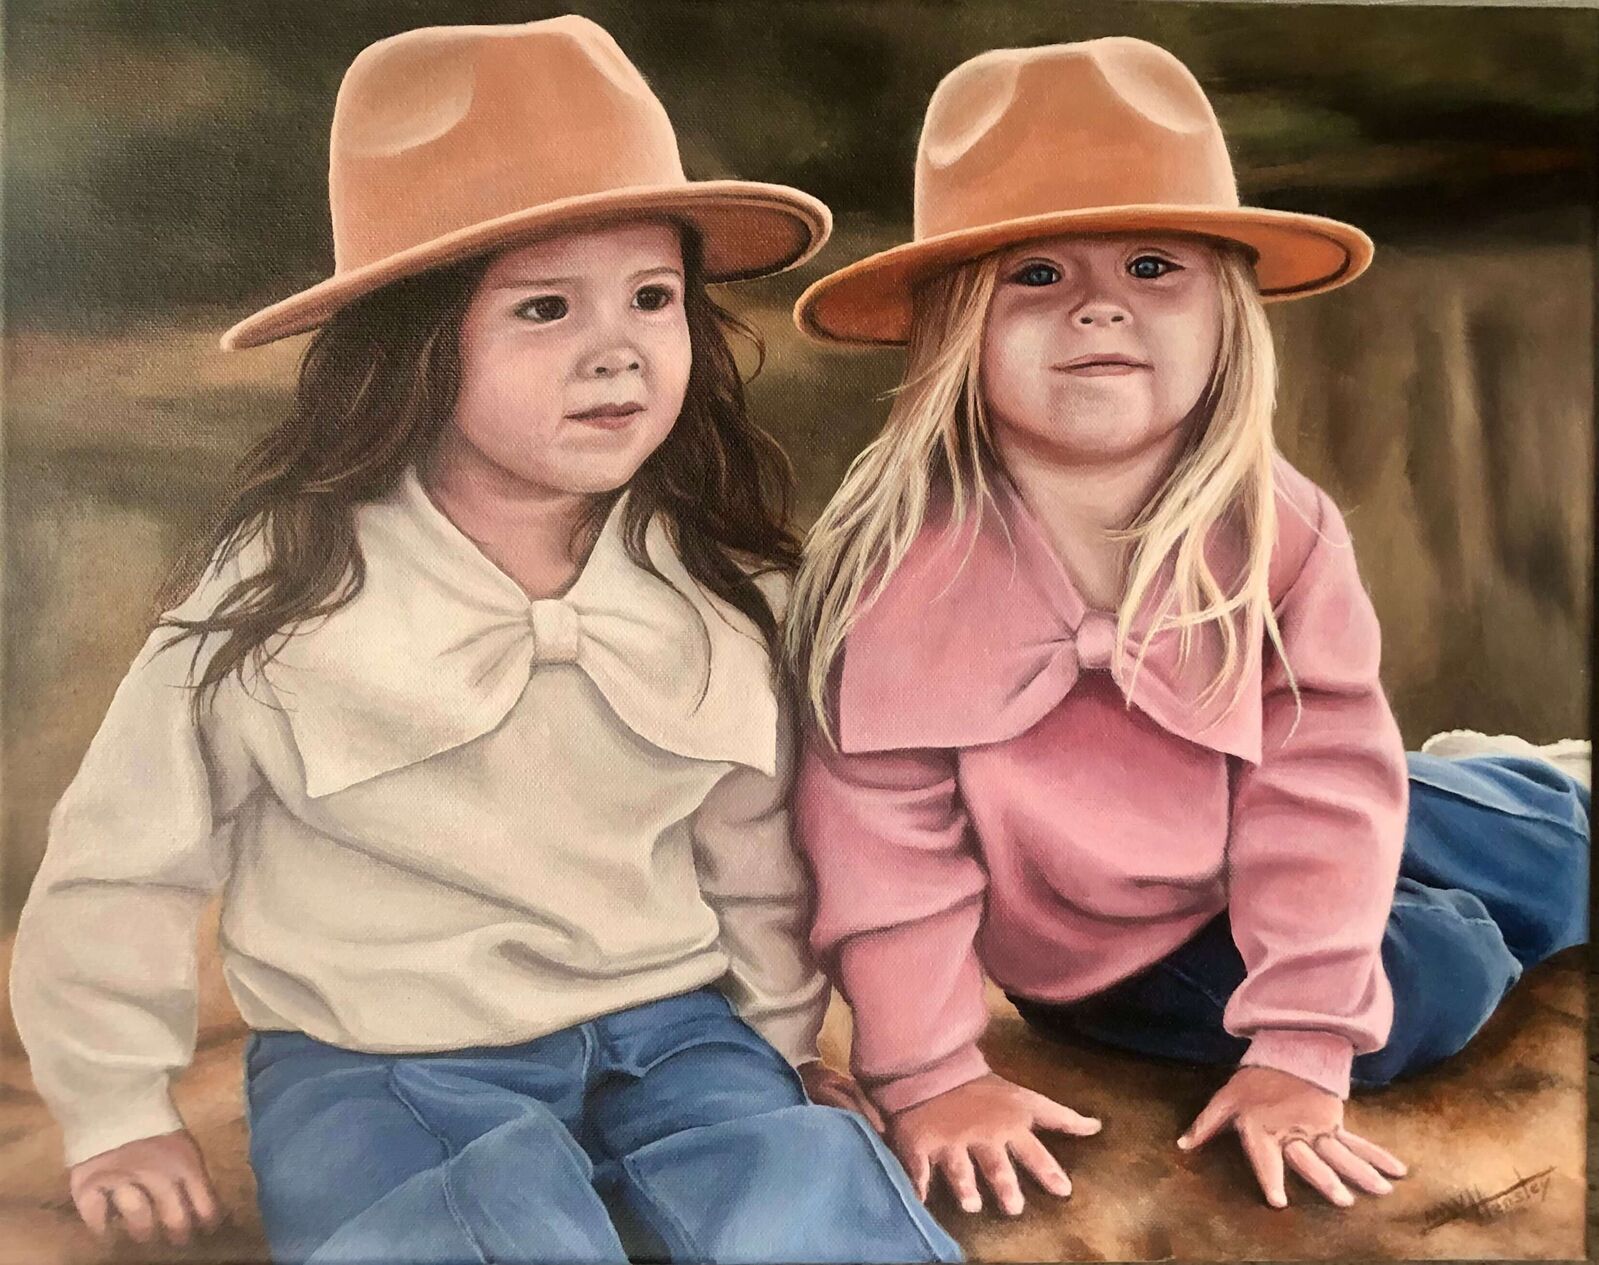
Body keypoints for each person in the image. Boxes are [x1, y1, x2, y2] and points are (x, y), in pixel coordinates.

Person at [10, 17, 960, 1264]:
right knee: (456, 1227)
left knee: (808, 1193)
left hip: (670, 1030)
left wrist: (778, 1043)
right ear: (416, 342)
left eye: (654, 297)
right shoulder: (286, 587)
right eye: (546, 306)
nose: (617, 348)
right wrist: (117, 1108)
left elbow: (756, 848)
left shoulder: (715, 580)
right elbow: (126, 858)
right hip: (380, 1052)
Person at [785, 35, 1589, 1218]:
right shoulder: (897, 574)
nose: (1100, 305)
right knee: (1437, 972)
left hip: (1274, 801)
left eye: (1153, 264)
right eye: (1037, 274)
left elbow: (1318, 779)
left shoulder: (1280, 528)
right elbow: (882, 856)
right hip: (1123, 945)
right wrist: (932, 1074)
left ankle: (1516, 787)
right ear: (953, 327)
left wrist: (1303, 1020)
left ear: (1225, 309)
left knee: (1546, 846)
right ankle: (1449, 853)